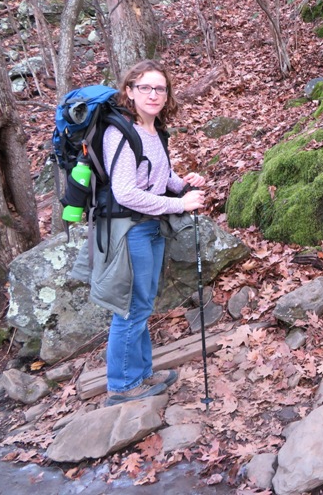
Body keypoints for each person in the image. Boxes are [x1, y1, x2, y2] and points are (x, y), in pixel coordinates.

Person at [95, 59, 206, 406]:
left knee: (142, 304)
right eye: (145, 87)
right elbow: (125, 192)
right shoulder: (121, 133)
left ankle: (141, 374)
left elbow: (159, 178)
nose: (154, 94)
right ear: (129, 91)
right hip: (129, 230)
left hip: (148, 226)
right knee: (130, 307)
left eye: (160, 88)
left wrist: (184, 183)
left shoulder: (153, 130)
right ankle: (123, 386)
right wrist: (180, 205)